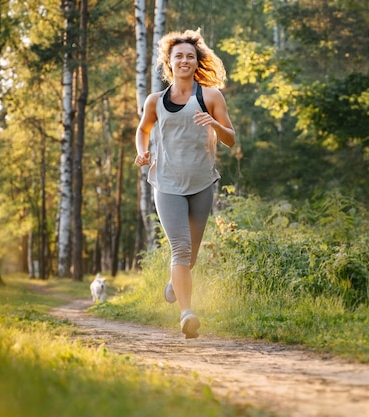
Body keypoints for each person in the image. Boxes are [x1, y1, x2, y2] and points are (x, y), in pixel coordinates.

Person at [134, 29, 235, 339]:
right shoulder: (156, 101)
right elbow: (142, 131)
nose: (185, 60)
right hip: (166, 183)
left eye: (190, 56)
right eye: (179, 55)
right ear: (170, 61)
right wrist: (143, 153)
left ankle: (175, 282)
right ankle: (187, 314)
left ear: (196, 61)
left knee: (189, 255)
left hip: (202, 183)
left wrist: (214, 123)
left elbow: (230, 139)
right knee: (180, 249)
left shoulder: (210, 96)